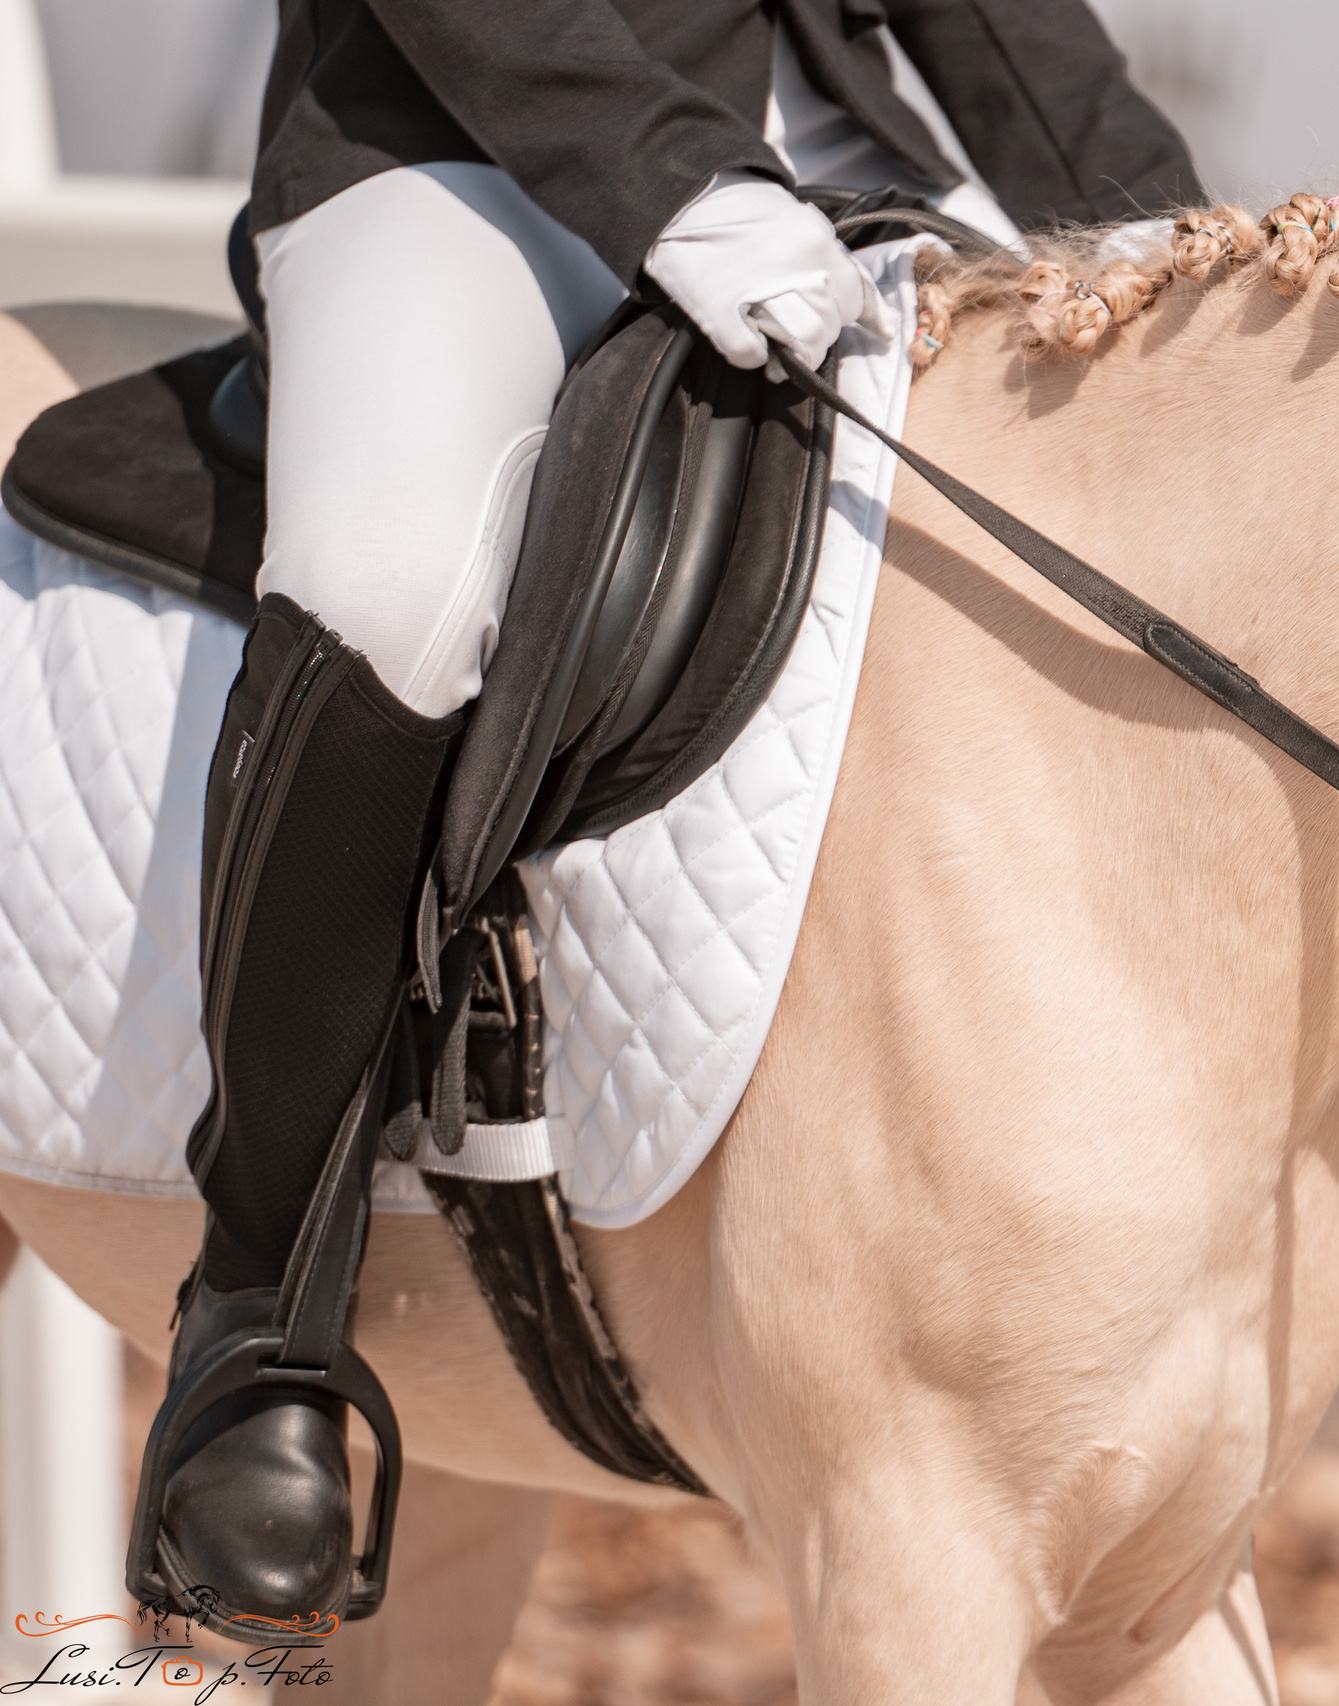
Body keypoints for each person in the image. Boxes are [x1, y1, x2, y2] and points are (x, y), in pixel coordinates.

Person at [151, 0, 1201, 1635]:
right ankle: (256, 1301)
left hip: (809, 156)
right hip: (451, 146)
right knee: (394, 589)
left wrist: (1172, 231)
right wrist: (670, 184)